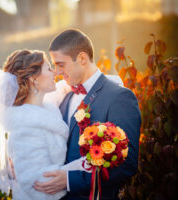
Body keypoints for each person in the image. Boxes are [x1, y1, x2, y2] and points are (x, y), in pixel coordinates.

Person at [0, 49, 91, 200]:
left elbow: (60, 90)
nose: (55, 73)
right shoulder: (25, 127)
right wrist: (85, 164)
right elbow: (39, 185)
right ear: (34, 79)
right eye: (49, 69)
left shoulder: (45, 107)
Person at [34, 29, 141, 200]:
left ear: (82, 58)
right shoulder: (62, 96)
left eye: (61, 64)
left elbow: (127, 164)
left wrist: (69, 180)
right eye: (54, 65)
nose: (57, 72)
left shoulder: (119, 97)